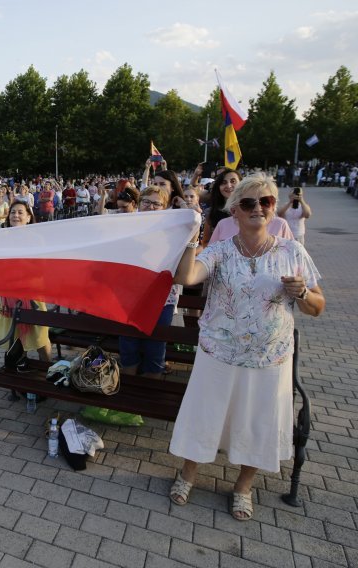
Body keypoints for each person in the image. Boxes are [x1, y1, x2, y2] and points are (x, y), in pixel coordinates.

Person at [170, 173, 325, 521]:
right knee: (205, 417)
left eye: (266, 201)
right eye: (248, 203)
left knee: (258, 424)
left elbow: (318, 306)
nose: (259, 208)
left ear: (274, 209)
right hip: (219, 353)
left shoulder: (291, 250)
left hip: (270, 359)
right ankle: (188, 474)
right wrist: (192, 238)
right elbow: (187, 277)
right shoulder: (222, 250)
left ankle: (242, 487)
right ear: (234, 211)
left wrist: (302, 292)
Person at [118, 187, 182, 379]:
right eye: (146, 201)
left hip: (162, 301)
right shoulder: (125, 229)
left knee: (155, 350)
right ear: (138, 205)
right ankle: (128, 399)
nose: (151, 207)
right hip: (130, 299)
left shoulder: (174, 233)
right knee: (128, 347)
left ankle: (148, 400)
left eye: (156, 203)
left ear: (165, 207)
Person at [0, 202, 51, 362]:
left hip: (32, 296)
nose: (16, 215)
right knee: (16, 340)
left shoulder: (37, 239)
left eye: (20, 212)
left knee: (40, 339)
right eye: (12, 212)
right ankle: (21, 369)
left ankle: (47, 370)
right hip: (8, 296)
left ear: (28, 217)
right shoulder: (1, 239)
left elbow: (41, 268)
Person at [201, 169, 240, 246]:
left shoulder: (252, 210)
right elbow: (206, 242)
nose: (228, 186)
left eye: (233, 181)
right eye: (223, 183)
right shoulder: (211, 213)